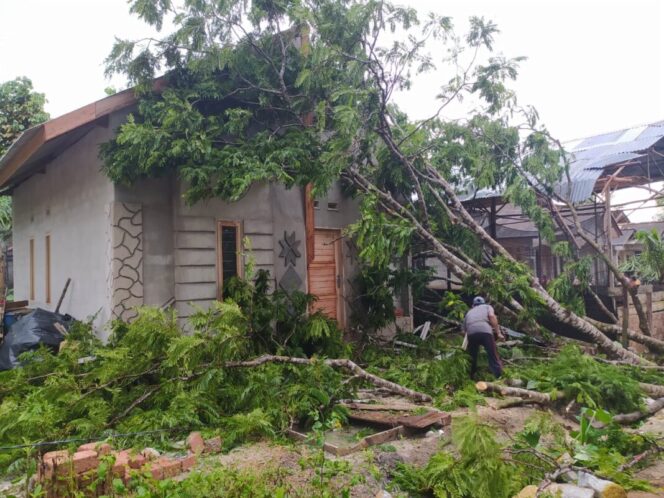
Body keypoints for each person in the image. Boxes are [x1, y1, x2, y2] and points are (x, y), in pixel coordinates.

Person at [463, 296, 504, 379]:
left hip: (471, 333)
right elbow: (492, 316)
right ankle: (499, 376)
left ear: (473, 305)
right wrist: (498, 333)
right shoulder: (487, 307)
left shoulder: (468, 312)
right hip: (485, 332)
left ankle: (471, 377)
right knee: (492, 354)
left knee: (472, 356)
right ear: (483, 303)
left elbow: (463, 330)